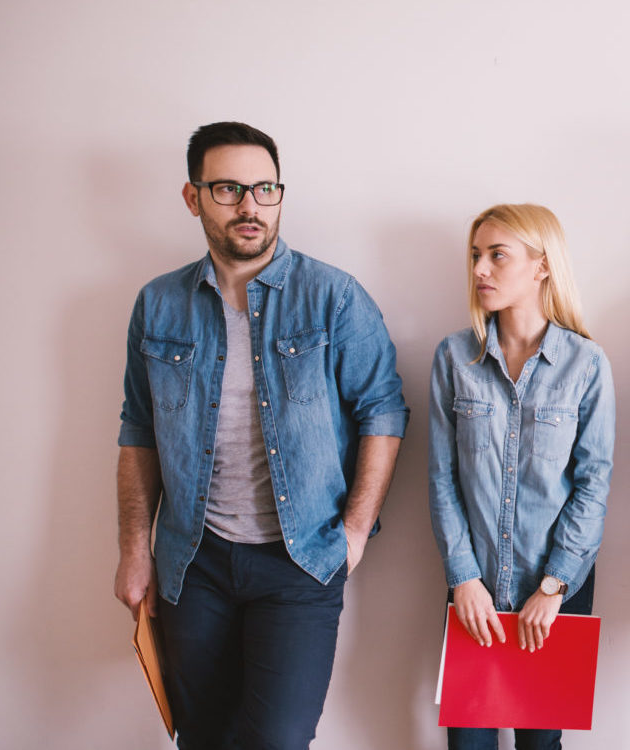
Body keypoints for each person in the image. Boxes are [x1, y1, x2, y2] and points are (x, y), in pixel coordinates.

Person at [113, 121, 408, 749]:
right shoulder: (158, 304)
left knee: (277, 739)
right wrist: (135, 548)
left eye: (264, 188)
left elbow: (384, 410)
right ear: (193, 198)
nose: (250, 206)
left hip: (299, 561)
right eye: (228, 189)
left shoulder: (333, 297)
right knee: (202, 736)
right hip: (193, 562)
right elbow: (138, 429)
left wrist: (354, 532)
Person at [429, 204, 615, 750]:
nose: (480, 269)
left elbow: (593, 485)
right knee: (468, 746)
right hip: (473, 590)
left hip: (556, 593)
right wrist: (463, 579)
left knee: (541, 746)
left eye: (497, 255)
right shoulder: (453, 358)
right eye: (475, 257)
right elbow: (442, 479)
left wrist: (553, 586)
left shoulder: (587, 364)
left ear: (541, 266)